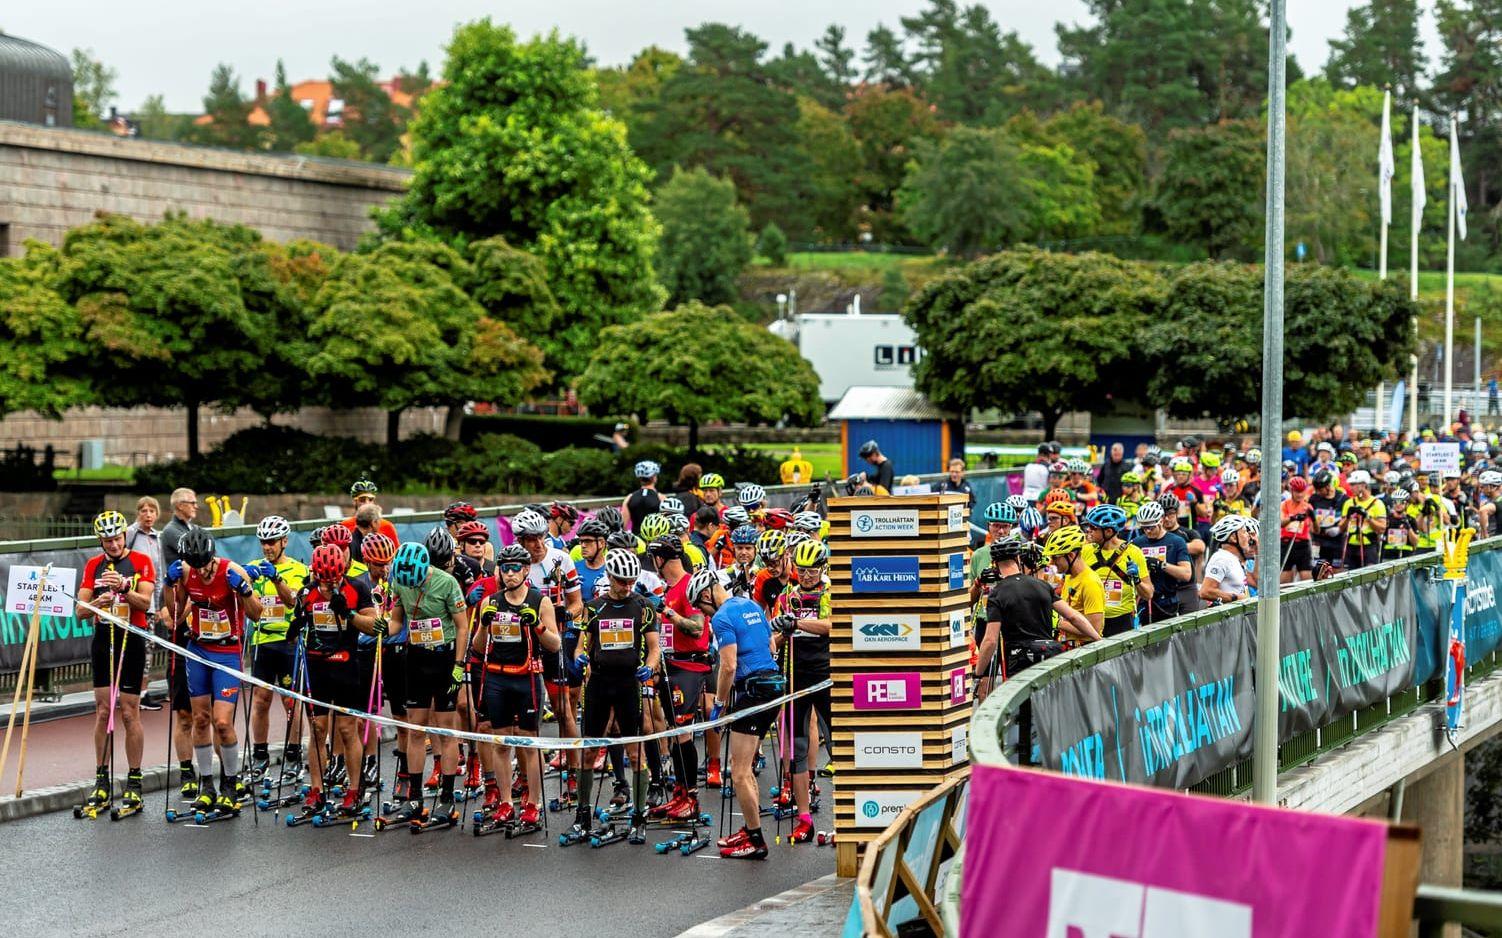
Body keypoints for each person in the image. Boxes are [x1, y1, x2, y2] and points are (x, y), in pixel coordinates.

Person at [566, 548, 661, 847]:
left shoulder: (643, 606)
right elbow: (582, 646)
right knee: (591, 751)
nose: (627, 586)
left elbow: (655, 648)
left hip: (628, 684)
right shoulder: (593, 608)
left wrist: (650, 666)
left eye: (631, 580)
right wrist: (580, 659)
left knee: (635, 752)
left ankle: (639, 817)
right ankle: (583, 816)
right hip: (599, 684)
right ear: (609, 576)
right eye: (621, 580)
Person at [163, 528, 262, 815]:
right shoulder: (185, 571)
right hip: (198, 649)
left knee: (222, 722)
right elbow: (176, 614)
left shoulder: (233, 570)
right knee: (201, 718)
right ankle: (207, 785)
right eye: (196, 566)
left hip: (227, 653)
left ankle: (230, 784)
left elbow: (256, 614)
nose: (202, 571)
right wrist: (168, 585)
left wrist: (244, 591)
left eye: (205, 564)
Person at [469, 543, 560, 831]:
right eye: (503, 568)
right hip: (497, 677)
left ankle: (533, 803)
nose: (508, 575)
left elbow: (555, 644)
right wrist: (484, 625)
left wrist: (538, 627)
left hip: (526, 678)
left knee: (528, 743)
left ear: (524, 570)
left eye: (514, 569)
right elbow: (477, 647)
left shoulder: (539, 601)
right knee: (501, 743)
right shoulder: (491, 601)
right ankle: (507, 802)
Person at [289, 544, 379, 821]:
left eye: (335, 579)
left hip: (346, 664)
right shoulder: (306, 592)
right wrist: (296, 625)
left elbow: (375, 627)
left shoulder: (357, 589)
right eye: (324, 580)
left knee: (347, 729)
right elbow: (295, 633)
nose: (329, 585)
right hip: (317, 667)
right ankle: (316, 788)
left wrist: (349, 615)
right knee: (317, 729)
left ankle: (354, 787)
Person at [382, 542, 469, 829]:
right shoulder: (400, 580)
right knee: (416, 728)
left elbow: (462, 626)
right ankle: (415, 797)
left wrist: (459, 664)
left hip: (443, 657)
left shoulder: (446, 582)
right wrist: (377, 627)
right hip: (415, 657)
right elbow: (396, 622)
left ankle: (446, 797)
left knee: (445, 730)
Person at [76, 510, 156, 816]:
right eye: (107, 539)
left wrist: (124, 588)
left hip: (131, 638)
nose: (113, 544)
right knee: (102, 710)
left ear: (125, 535)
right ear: (101, 540)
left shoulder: (140, 561)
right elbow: (81, 612)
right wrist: (97, 602)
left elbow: (147, 603)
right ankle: (101, 779)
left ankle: (134, 781)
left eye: (117, 538)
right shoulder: (94, 565)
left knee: (128, 710)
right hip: (103, 637)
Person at [704, 578, 782, 860]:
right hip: (774, 685)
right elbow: (772, 646)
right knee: (746, 767)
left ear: (707, 595)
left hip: (753, 693)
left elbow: (728, 666)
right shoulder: (751, 605)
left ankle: (756, 840)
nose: (705, 614)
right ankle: (752, 828)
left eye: (703, 607)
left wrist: (720, 705)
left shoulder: (722, 616)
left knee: (737, 771)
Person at [974, 536, 1098, 701]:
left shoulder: (997, 593)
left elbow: (990, 640)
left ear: (995, 563)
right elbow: (1074, 616)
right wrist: (1099, 639)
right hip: (1048, 656)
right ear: (1018, 558)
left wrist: (978, 674)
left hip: (1019, 661)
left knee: (1024, 711)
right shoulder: (1042, 585)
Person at [769, 540, 834, 844]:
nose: (806, 576)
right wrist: (780, 631)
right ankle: (804, 817)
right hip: (795, 675)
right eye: (802, 570)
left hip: (825, 674)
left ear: (822, 568)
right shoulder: (787, 596)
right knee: (795, 747)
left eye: (812, 571)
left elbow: (831, 625)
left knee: (838, 745)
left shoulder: (829, 591)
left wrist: (797, 622)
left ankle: (849, 816)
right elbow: (775, 640)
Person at [245, 516, 309, 783]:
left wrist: (277, 579)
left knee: (290, 701)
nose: (267, 547)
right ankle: (260, 757)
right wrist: (247, 583)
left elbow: (294, 603)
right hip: (262, 641)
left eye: (271, 542)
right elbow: (251, 607)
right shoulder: (254, 568)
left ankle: (294, 756)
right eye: (263, 542)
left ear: (284, 541)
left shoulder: (297, 569)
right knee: (260, 699)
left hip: (288, 642)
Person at [656, 559, 718, 825]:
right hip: (671, 664)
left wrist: (669, 613)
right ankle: (680, 793)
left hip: (689, 666)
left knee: (683, 733)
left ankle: (691, 798)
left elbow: (697, 628)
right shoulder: (668, 588)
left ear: (661, 559)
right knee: (674, 731)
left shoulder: (687, 586)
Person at [1080, 505, 1152, 637]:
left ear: (1108, 532)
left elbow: (1148, 594)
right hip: (1092, 619)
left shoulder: (1134, 552)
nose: (1088, 531)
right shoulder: (1085, 551)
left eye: (1093, 528)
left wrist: (1137, 580)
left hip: (1122, 621)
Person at [124, 497, 165, 710]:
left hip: (147, 605)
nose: (148, 514)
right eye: (143, 510)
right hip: (127, 602)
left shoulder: (157, 538)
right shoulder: (130, 533)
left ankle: (143, 693)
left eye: (152, 511)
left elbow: (157, 575)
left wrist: (157, 606)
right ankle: (124, 693)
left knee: (146, 649)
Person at [1130, 502, 1191, 624]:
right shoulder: (1137, 543)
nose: (1147, 531)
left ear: (1161, 521)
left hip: (1167, 602)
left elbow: (1186, 574)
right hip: (1143, 602)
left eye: (1151, 527)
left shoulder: (1176, 541)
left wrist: (1161, 564)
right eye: (1144, 528)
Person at [1042, 526, 1104, 642]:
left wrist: (1058, 623)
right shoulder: (1070, 576)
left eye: (1055, 557)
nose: (1052, 562)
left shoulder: (1090, 582)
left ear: (1070, 555)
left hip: (1085, 650)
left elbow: (1095, 629)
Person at [1200, 515, 1257, 604]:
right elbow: (1205, 591)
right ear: (1233, 538)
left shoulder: (1234, 559)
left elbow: (1256, 582)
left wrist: (1258, 549)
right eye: (1245, 532)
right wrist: (1236, 597)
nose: (1248, 536)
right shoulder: (1221, 559)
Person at [1339, 470, 1387, 570]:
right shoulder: (1349, 503)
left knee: (1369, 577)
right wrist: (1348, 517)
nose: (1350, 488)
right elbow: (1341, 528)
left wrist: (1367, 517)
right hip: (1351, 545)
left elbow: (1382, 528)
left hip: (1369, 545)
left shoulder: (1377, 503)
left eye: (1353, 485)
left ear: (1363, 485)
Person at [1279, 477, 1315, 583]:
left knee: (1307, 580)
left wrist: (1314, 518)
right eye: (1297, 492)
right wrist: (1293, 518)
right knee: (1285, 582)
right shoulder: (1284, 504)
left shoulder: (1308, 507)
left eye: (1302, 492)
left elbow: (1316, 530)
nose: (1300, 495)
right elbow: (1280, 523)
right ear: (1291, 491)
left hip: (1303, 545)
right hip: (1286, 543)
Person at [624, 461, 663, 531]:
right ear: (653, 477)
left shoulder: (629, 497)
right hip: (656, 539)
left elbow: (623, 524)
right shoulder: (661, 497)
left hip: (636, 539)